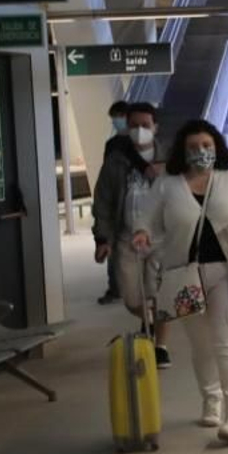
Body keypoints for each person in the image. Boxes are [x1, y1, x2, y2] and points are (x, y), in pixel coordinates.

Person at [132, 120, 228, 446]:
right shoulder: (167, 185)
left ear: (216, 147)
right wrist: (142, 233)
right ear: (182, 151)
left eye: (206, 145)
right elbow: (144, 219)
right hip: (183, 276)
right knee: (201, 345)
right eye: (193, 147)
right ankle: (211, 398)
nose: (201, 151)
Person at [95, 103, 174, 366]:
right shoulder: (116, 160)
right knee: (130, 297)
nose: (140, 130)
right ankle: (148, 319)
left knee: (160, 293)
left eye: (145, 125)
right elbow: (103, 201)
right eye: (134, 125)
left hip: (162, 239)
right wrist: (102, 238)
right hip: (127, 238)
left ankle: (160, 346)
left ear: (156, 127)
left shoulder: (171, 158)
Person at [92, 100, 134, 303]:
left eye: (120, 116)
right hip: (118, 200)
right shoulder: (112, 145)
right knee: (114, 247)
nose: (117, 121)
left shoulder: (144, 145)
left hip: (137, 205)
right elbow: (106, 180)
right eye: (114, 118)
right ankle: (115, 288)